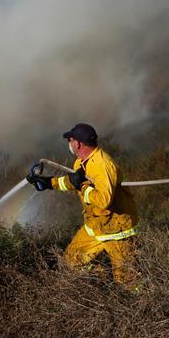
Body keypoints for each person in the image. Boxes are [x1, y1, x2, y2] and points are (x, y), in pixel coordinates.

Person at [26, 123, 139, 287]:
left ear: (78, 143)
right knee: (70, 262)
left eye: (70, 140)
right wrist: (49, 183)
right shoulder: (80, 162)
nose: (69, 143)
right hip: (95, 226)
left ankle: (137, 299)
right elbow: (73, 182)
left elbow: (103, 200)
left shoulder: (103, 165)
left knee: (127, 281)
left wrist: (82, 186)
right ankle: (101, 279)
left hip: (117, 230)